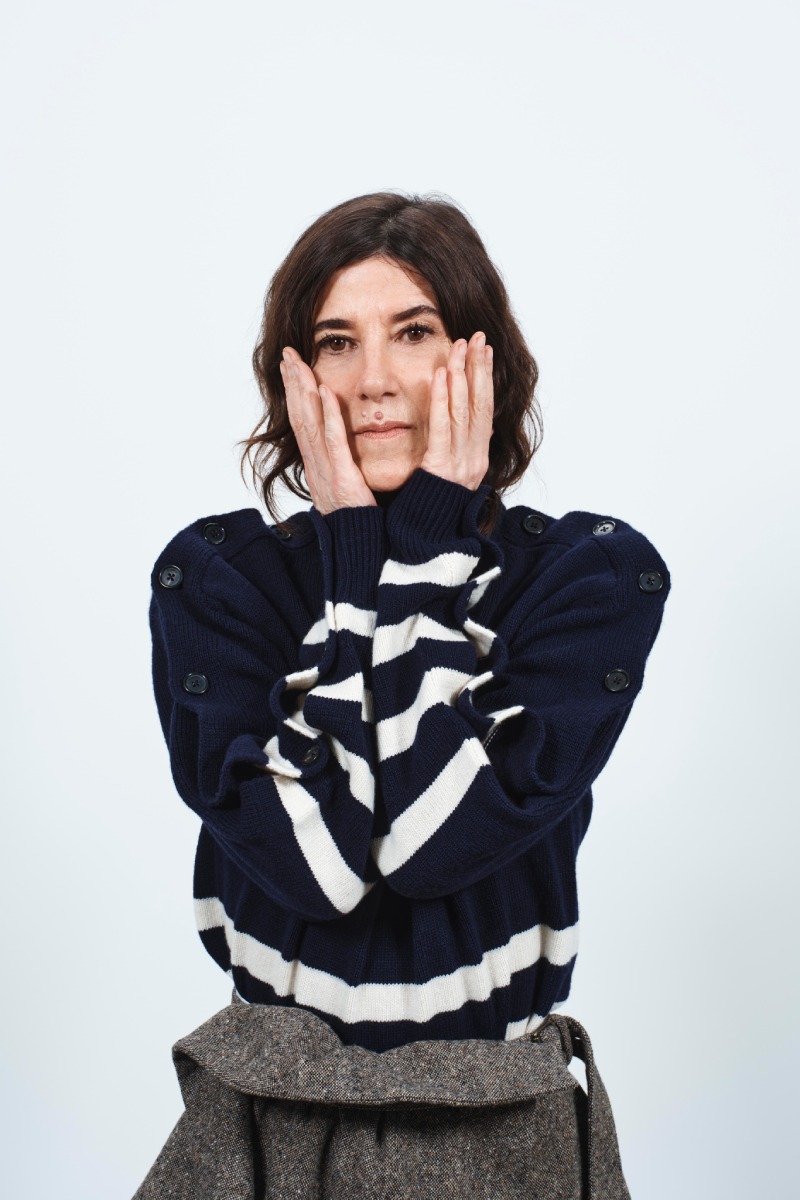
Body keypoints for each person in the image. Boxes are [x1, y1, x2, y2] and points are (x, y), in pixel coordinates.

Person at [138, 192, 670, 1198]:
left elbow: (435, 846)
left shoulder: (580, 583)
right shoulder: (222, 583)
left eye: (413, 332)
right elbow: (319, 869)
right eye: (335, 342)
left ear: (481, 360)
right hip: (259, 1133)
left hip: (499, 1142)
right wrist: (357, 560)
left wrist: (419, 553)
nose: (373, 379)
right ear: (295, 379)